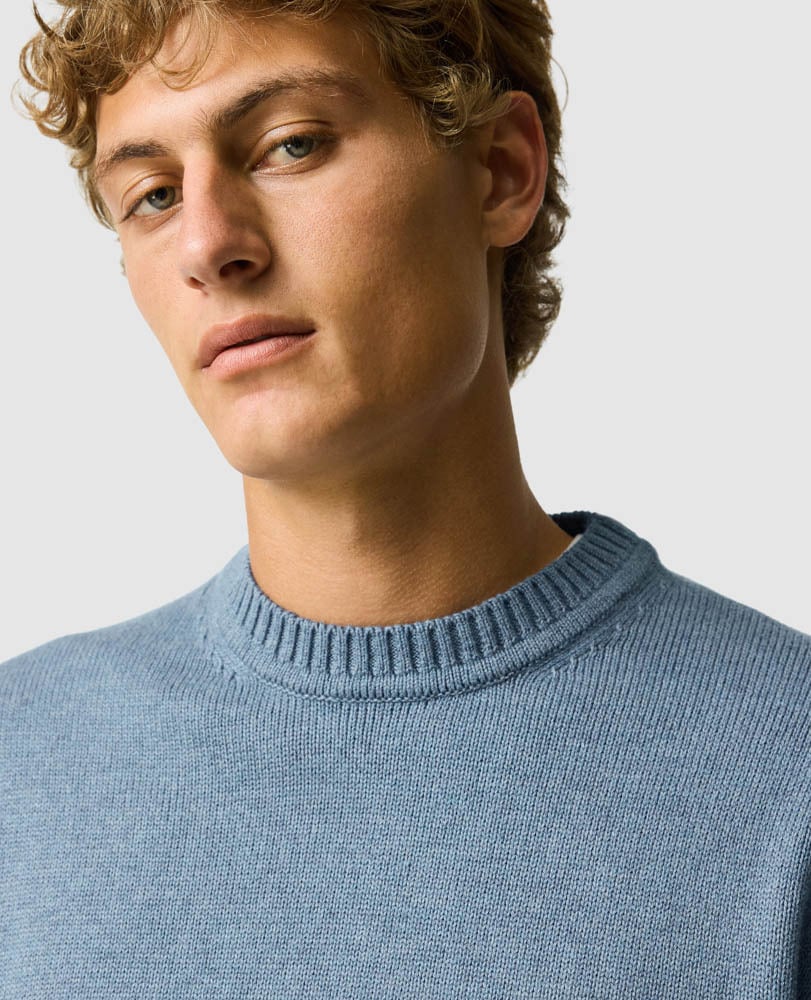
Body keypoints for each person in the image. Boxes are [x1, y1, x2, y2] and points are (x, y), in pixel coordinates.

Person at [1, 1, 809, 996]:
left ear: (502, 170)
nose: (208, 245)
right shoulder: (20, 767)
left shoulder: (785, 772)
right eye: (154, 194)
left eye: (291, 145)